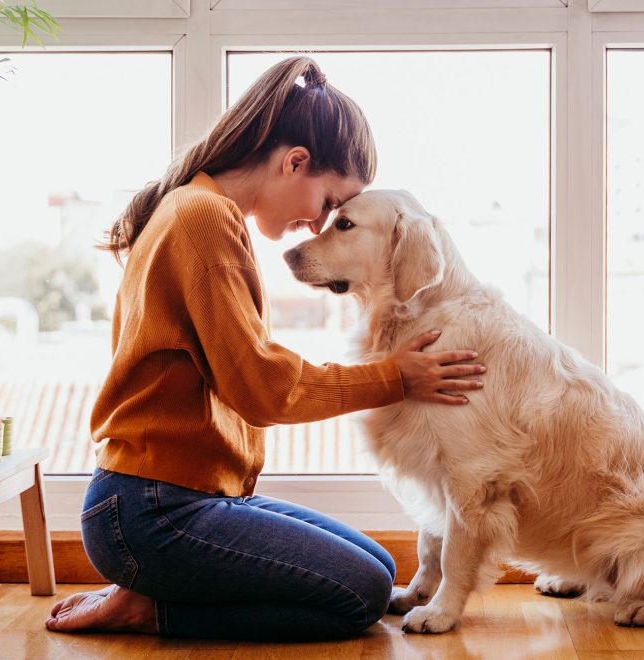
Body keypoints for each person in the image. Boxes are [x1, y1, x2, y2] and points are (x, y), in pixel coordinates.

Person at [44, 56, 485, 641]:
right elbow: (262, 389)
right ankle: (150, 607)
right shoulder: (202, 219)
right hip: (150, 510)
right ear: (294, 161)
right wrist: (393, 377)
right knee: (361, 594)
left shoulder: (201, 209)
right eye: (329, 204)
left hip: (183, 498)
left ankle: (152, 586)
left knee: (379, 568)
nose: (317, 224)